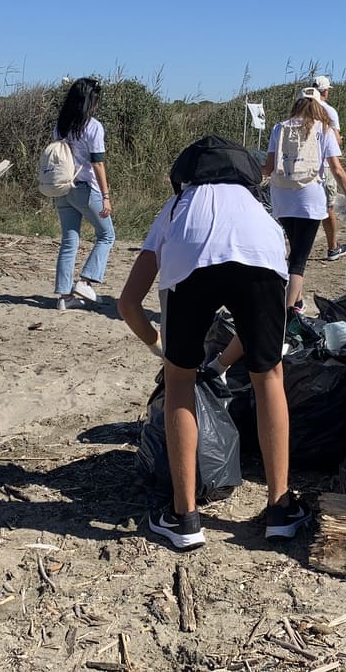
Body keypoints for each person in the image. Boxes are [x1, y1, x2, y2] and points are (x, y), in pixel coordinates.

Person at [117, 145, 310, 550]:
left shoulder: (176, 206)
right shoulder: (262, 214)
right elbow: (282, 299)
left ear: (184, 177)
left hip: (190, 261)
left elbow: (128, 304)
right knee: (269, 377)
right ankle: (279, 508)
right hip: (262, 263)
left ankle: (184, 516)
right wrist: (232, 361)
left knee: (180, 382)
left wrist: (160, 349)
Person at [267, 92, 346, 310]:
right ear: (318, 106)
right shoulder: (323, 129)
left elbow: (268, 168)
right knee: (299, 260)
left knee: (295, 247)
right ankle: (286, 315)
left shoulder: (279, 128)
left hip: (281, 196)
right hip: (309, 197)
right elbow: (336, 168)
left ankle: (297, 301)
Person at [51, 77, 115, 310]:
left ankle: (64, 296)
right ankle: (86, 281)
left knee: (69, 240)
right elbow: (98, 163)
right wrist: (106, 196)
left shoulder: (60, 125)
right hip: (85, 188)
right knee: (107, 235)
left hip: (62, 187)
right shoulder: (93, 126)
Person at [308, 76, 346, 261]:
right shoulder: (329, 111)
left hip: (303, 166)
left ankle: (298, 249)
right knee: (328, 207)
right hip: (324, 165)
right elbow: (336, 139)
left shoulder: (302, 108)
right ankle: (333, 248)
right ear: (325, 91)